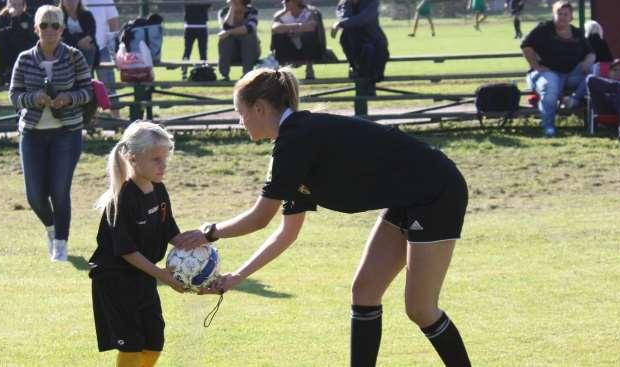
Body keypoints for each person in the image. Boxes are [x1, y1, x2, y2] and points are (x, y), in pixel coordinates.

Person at [189, 68, 472, 367]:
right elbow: (287, 232)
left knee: (420, 308)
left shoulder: (297, 139)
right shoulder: (289, 146)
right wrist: (237, 277)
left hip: (436, 191)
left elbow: (260, 218)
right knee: (364, 291)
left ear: (259, 108)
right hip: (408, 195)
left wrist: (209, 232)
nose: (239, 121)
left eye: (240, 112)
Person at [89, 121, 193, 367]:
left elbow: (171, 233)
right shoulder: (122, 199)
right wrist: (163, 275)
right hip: (115, 281)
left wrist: (200, 249)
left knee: (154, 340)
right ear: (133, 159)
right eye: (156, 159)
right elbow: (126, 251)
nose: (163, 165)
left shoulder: (159, 189)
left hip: (142, 276)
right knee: (133, 343)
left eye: (165, 158)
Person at [9, 5, 93, 261]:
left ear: (62, 29)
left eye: (54, 25)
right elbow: (14, 96)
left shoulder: (74, 56)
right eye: (44, 25)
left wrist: (68, 98)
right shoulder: (24, 58)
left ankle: (61, 244)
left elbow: (88, 91)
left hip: (66, 133)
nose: (49, 30)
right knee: (34, 195)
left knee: (59, 190)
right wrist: (35, 98)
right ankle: (51, 227)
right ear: (36, 29)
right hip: (32, 133)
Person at [521, 0, 595, 136]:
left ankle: (574, 99)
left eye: (565, 14)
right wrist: (535, 65)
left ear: (571, 17)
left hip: (570, 75)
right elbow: (526, 45)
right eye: (559, 13)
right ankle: (548, 127)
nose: (562, 16)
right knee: (550, 86)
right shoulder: (544, 29)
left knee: (594, 70)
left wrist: (586, 62)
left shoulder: (577, 32)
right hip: (546, 72)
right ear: (553, 15)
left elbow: (591, 53)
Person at [331, 0, 389, 96]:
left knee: (371, 50)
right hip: (354, 44)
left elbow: (365, 18)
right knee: (347, 35)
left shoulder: (372, 2)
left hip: (373, 39)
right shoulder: (344, 3)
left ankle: (368, 83)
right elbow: (344, 17)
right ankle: (357, 70)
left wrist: (340, 24)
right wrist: (344, 22)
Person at [271, 0, 325, 80]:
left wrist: (289, 29)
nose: (284, 2)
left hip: (309, 49)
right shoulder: (280, 15)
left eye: (287, 1)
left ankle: (309, 69)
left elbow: (311, 27)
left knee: (309, 36)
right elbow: (275, 28)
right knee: (278, 36)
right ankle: (283, 71)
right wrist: (295, 27)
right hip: (289, 48)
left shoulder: (311, 12)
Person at [84, 0, 121, 118]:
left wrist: (114, 49)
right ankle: (89, 122)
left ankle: (117, 121)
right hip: (82, 51)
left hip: (102, 49)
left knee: (109, 87)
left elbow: (113, 22)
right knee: (85, 89)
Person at [0, 0, 38, 87]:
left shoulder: (28, 18)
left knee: (20, 42)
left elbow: (30, 36)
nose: (16, 7)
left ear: (23, 6)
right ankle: (3, 75)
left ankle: (16, 75)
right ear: (8, 5)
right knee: (2, 43)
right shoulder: (2, 17)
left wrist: (13, 23)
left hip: (22, 50)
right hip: (7, 52)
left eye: (19, 5)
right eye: (13, 4)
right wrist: (13, 27)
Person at [217, 0, 261, 81]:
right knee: (225, 38)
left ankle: (247, 74)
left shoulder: (252, 11)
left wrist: (230, 32)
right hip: (232, 54)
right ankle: (224, 74)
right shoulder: (224, 12)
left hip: (251, 53)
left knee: (249, 36)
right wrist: (232, 9)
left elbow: (250, 28)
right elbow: (226, 27)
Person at [60, 0, 99, 73]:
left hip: (86, 46)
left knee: (89, 47)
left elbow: (92, 31)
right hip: (68, 45)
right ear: (63, 2)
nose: (71, 2)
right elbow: (64, 34)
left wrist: (87, 39)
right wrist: (78, 41)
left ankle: (87, 73)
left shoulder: (87, 14)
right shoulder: (59, 16)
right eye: (68, 1)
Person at [182, 0, 212, 80]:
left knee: (189, 50)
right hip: (196, 25)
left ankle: (185, 72)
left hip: (196, 25)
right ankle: (185, 72)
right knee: (199, 51)